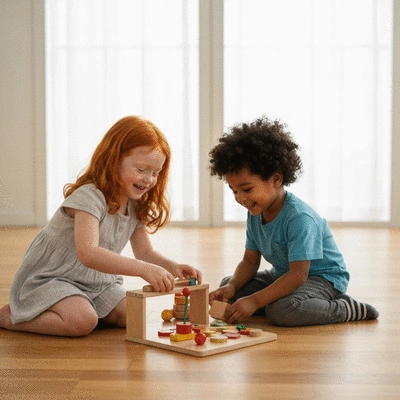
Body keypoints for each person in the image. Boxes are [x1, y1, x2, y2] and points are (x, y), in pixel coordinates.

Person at [0, 116, 202, 337]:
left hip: (95, 282)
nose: (149, 179)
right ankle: (10, 317)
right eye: (141, 169)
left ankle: (81, 307)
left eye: (155, 173)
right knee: (82, 322)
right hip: (53, 278)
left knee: (132, 314)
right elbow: (88, 253)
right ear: (114, 160)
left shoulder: (135, 204)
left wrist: (172, 267)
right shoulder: (89, 196)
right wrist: (144, 270)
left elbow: (145, 252)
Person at [208, 115, 378, 327]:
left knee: (282, 311)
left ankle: (347, 308)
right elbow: (250, 261)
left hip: (321, 278)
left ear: (276, 179)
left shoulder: (299, 218)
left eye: (247, 189)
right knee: (229, 285)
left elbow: (299, 275)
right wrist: (233, 286)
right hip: (283, 273)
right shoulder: (255, 211)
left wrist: (254, 300)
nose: (240, 198)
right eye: (234, 191)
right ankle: (272, 302)